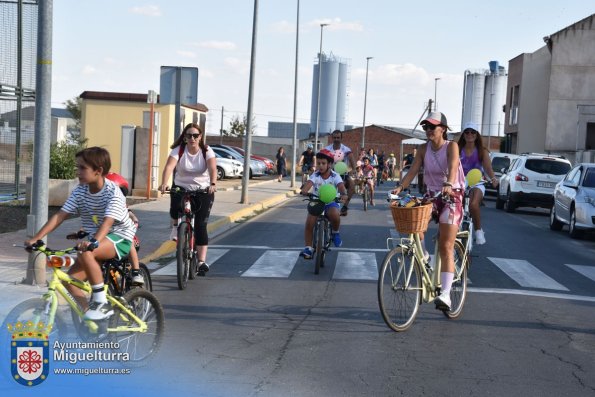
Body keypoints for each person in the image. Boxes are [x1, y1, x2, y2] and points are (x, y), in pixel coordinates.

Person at [26, 147, 137, 320]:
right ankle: (90, 315)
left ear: (98, 171)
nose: (78, 172)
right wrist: (36, 238)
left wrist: (93, 242)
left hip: (119, 236)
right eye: (77, 167)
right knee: (68, 281)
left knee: (86, 252)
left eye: (82, 168)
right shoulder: (80, 190)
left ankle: (101, 303)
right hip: (97, 238)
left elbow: (108, 222)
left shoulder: (113, 192)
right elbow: (60, 215)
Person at [392, 112, 465, 311]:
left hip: (452, 194)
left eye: (433, 127)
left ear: (443, 129)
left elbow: (452, 166)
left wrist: (449, 183)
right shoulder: (423, 149)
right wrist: (401, 187)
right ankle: (425, 257)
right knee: (415, 225)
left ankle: (446, 294)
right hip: (432, 195)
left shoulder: (452, 146)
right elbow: (414, 170)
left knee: (445, 245)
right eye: (426, 127)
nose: (429, 131)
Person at [159, 123, 217, 276]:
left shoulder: (206, 151)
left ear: (200, 137)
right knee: (175, 208)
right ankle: (175, 228)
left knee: (200, 225)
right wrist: (164, 183)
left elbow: (212, 169)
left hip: (203, 190)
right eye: (189, 135)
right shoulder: (178, 150)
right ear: (184, 138)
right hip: (181, 187)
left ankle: (201, 261)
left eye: (195, 135)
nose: (192, 138)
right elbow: (169, 167)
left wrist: (212, 184)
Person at [299, 149, 348, 259]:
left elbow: (341, 186)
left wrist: (343, 194)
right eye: (318, 163)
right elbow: (309, 184)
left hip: (331, 202)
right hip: (317, 201)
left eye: (323, 163)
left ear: (329, 164)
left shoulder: (335, 176)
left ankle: (335, 232)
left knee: (335, 215)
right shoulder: (315, 175)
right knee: (310, 222)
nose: (320, 166)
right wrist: (305, 190)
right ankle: (308, 248)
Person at [457, 122, 499, 245]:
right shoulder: (457, 149)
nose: (470, 134)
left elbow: (488, 167)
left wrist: (493, 178)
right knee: (453, 210)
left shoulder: (482, 151)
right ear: (463, 134)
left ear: (477, 135)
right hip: (459, 183)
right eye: (467, 132)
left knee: (474, 205)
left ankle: (478, 230)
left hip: (477, 183)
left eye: (473, 132)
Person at [105, 172, 144, 285]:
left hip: (123, 235)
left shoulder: (121, 204)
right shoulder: (101, 204)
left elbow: (130, 214)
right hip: (108, 237)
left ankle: (136, 272)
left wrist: (134, 219)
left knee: (129, 242)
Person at [325, 130, 357, 216]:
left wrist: (353, 170)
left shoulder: (346, 150)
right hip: (330, 174)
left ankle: (345, 207)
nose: (336, 139)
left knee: (352, 185)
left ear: (341, 138)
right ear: (332, 138)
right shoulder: (327, 149)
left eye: (338, 137)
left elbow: (352, 161)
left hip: (343, 174)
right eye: (334, 137)